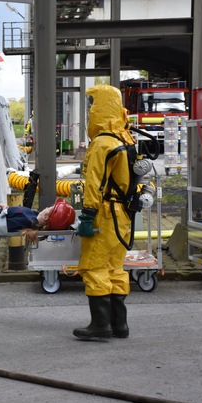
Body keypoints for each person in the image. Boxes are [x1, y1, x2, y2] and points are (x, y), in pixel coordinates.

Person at [73, 84, 135, 340]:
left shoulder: (102, 143)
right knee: (115, 269)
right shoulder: (125, 138)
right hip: (123, 216)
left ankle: (100, 325)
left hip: (104, 215)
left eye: (92, 105)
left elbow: (94, 183)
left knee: (94, 268)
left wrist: (87, 215)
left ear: (100, 109)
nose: (90, 110)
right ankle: (119, 325)